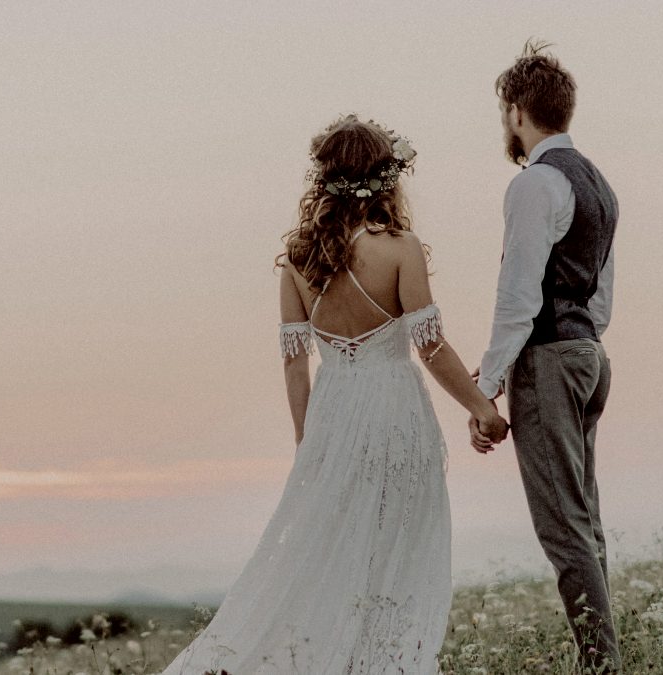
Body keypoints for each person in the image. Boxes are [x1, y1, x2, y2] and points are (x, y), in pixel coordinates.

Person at [160, 114, 508, 675]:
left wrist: (308, 441)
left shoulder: (299, 257)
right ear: (385, 178)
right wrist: (482, 410)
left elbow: (294, 363)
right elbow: (432, 347)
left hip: (333, 414)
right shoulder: (400, 248)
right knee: (395, 546)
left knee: (328, 551)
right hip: (394, 410)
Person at [469, 41, 621, 672]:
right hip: (589, 353)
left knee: (562, 527)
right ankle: (603, 657)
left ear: (516, 113)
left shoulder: (536, 184)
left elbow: (517, 296)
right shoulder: (599, 184)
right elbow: (602, 295)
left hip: (550, 361)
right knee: (584, 518)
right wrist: (581, 342)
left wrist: (487, 388)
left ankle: (600, 665)